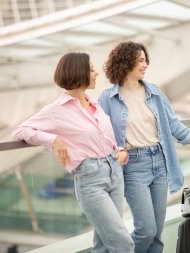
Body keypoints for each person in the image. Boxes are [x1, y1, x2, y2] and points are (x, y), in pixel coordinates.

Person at [99, 41, 190, 253]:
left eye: (146, 60)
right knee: (145, 230)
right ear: (125, 63)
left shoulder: (153, 92)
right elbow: (102, 136)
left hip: (160, 162)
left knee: (157, 234)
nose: (145, 65)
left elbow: (173, 124)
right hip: (133, 166)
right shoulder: (108, 98)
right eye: (140, 60)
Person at [12, 52, 134, 253]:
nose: (96, 73)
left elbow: (107, 139)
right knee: (123, 243)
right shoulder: (57, 110)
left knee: (104, 244)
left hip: (115, 172)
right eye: (92, 69)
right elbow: (20, 130)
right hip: (91, 180)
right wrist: (53, 140)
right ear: (80, 72)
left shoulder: (94, 105)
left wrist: (120, 151)